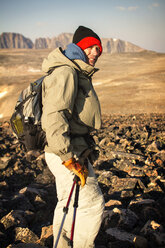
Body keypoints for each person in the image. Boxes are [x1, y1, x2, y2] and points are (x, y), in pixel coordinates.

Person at [41, 25, 105, 248]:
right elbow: (55, 116)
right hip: (67, 152)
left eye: (100, 49)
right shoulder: (66, 72)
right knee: (91, 204)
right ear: (80, 47)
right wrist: (68, 158)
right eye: (92, 47)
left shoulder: (74, 71)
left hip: (70, 149)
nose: (97, 52)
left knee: (66, 203)